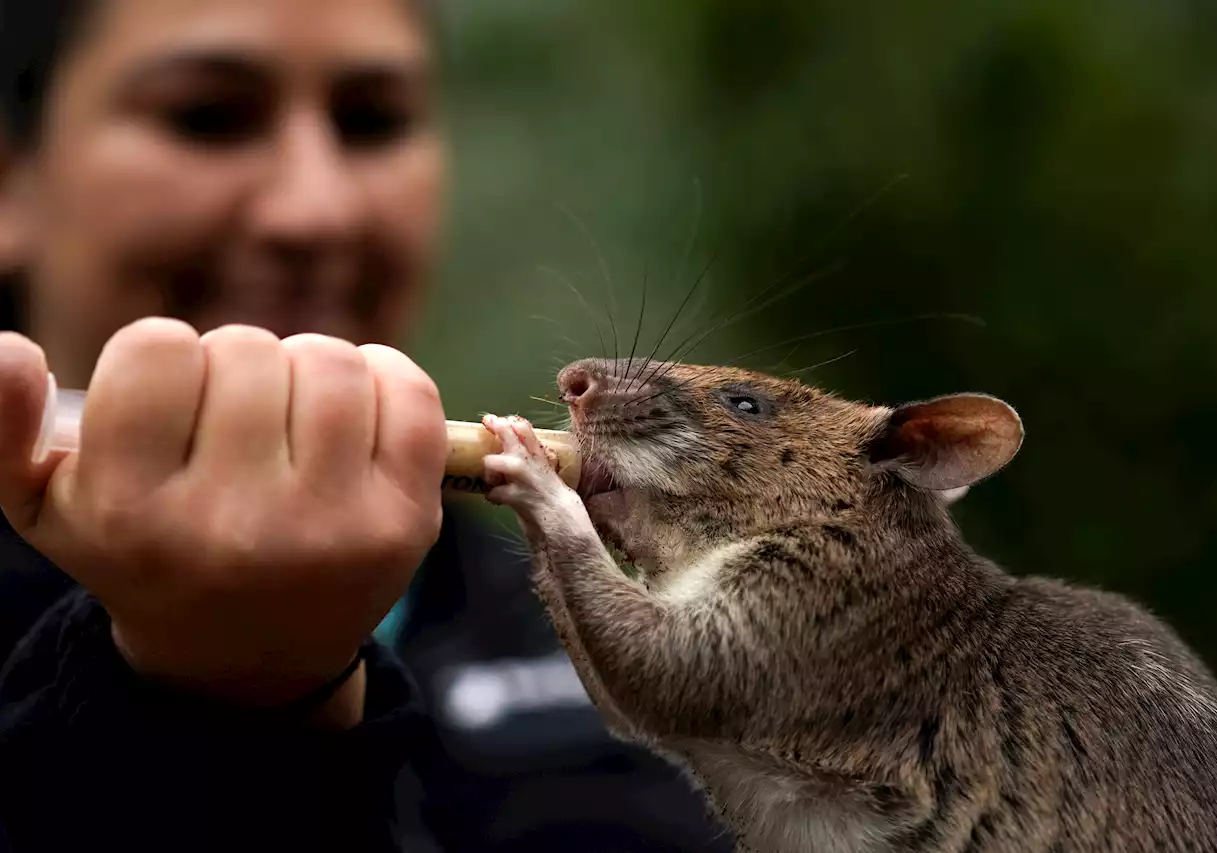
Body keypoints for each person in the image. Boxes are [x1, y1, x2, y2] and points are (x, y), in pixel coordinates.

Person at [0, 0, 731, 850]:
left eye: (373, 122)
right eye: (206, 117)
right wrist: (212, 707)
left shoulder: (605, 656)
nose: (316, 211)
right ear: (13, 177)